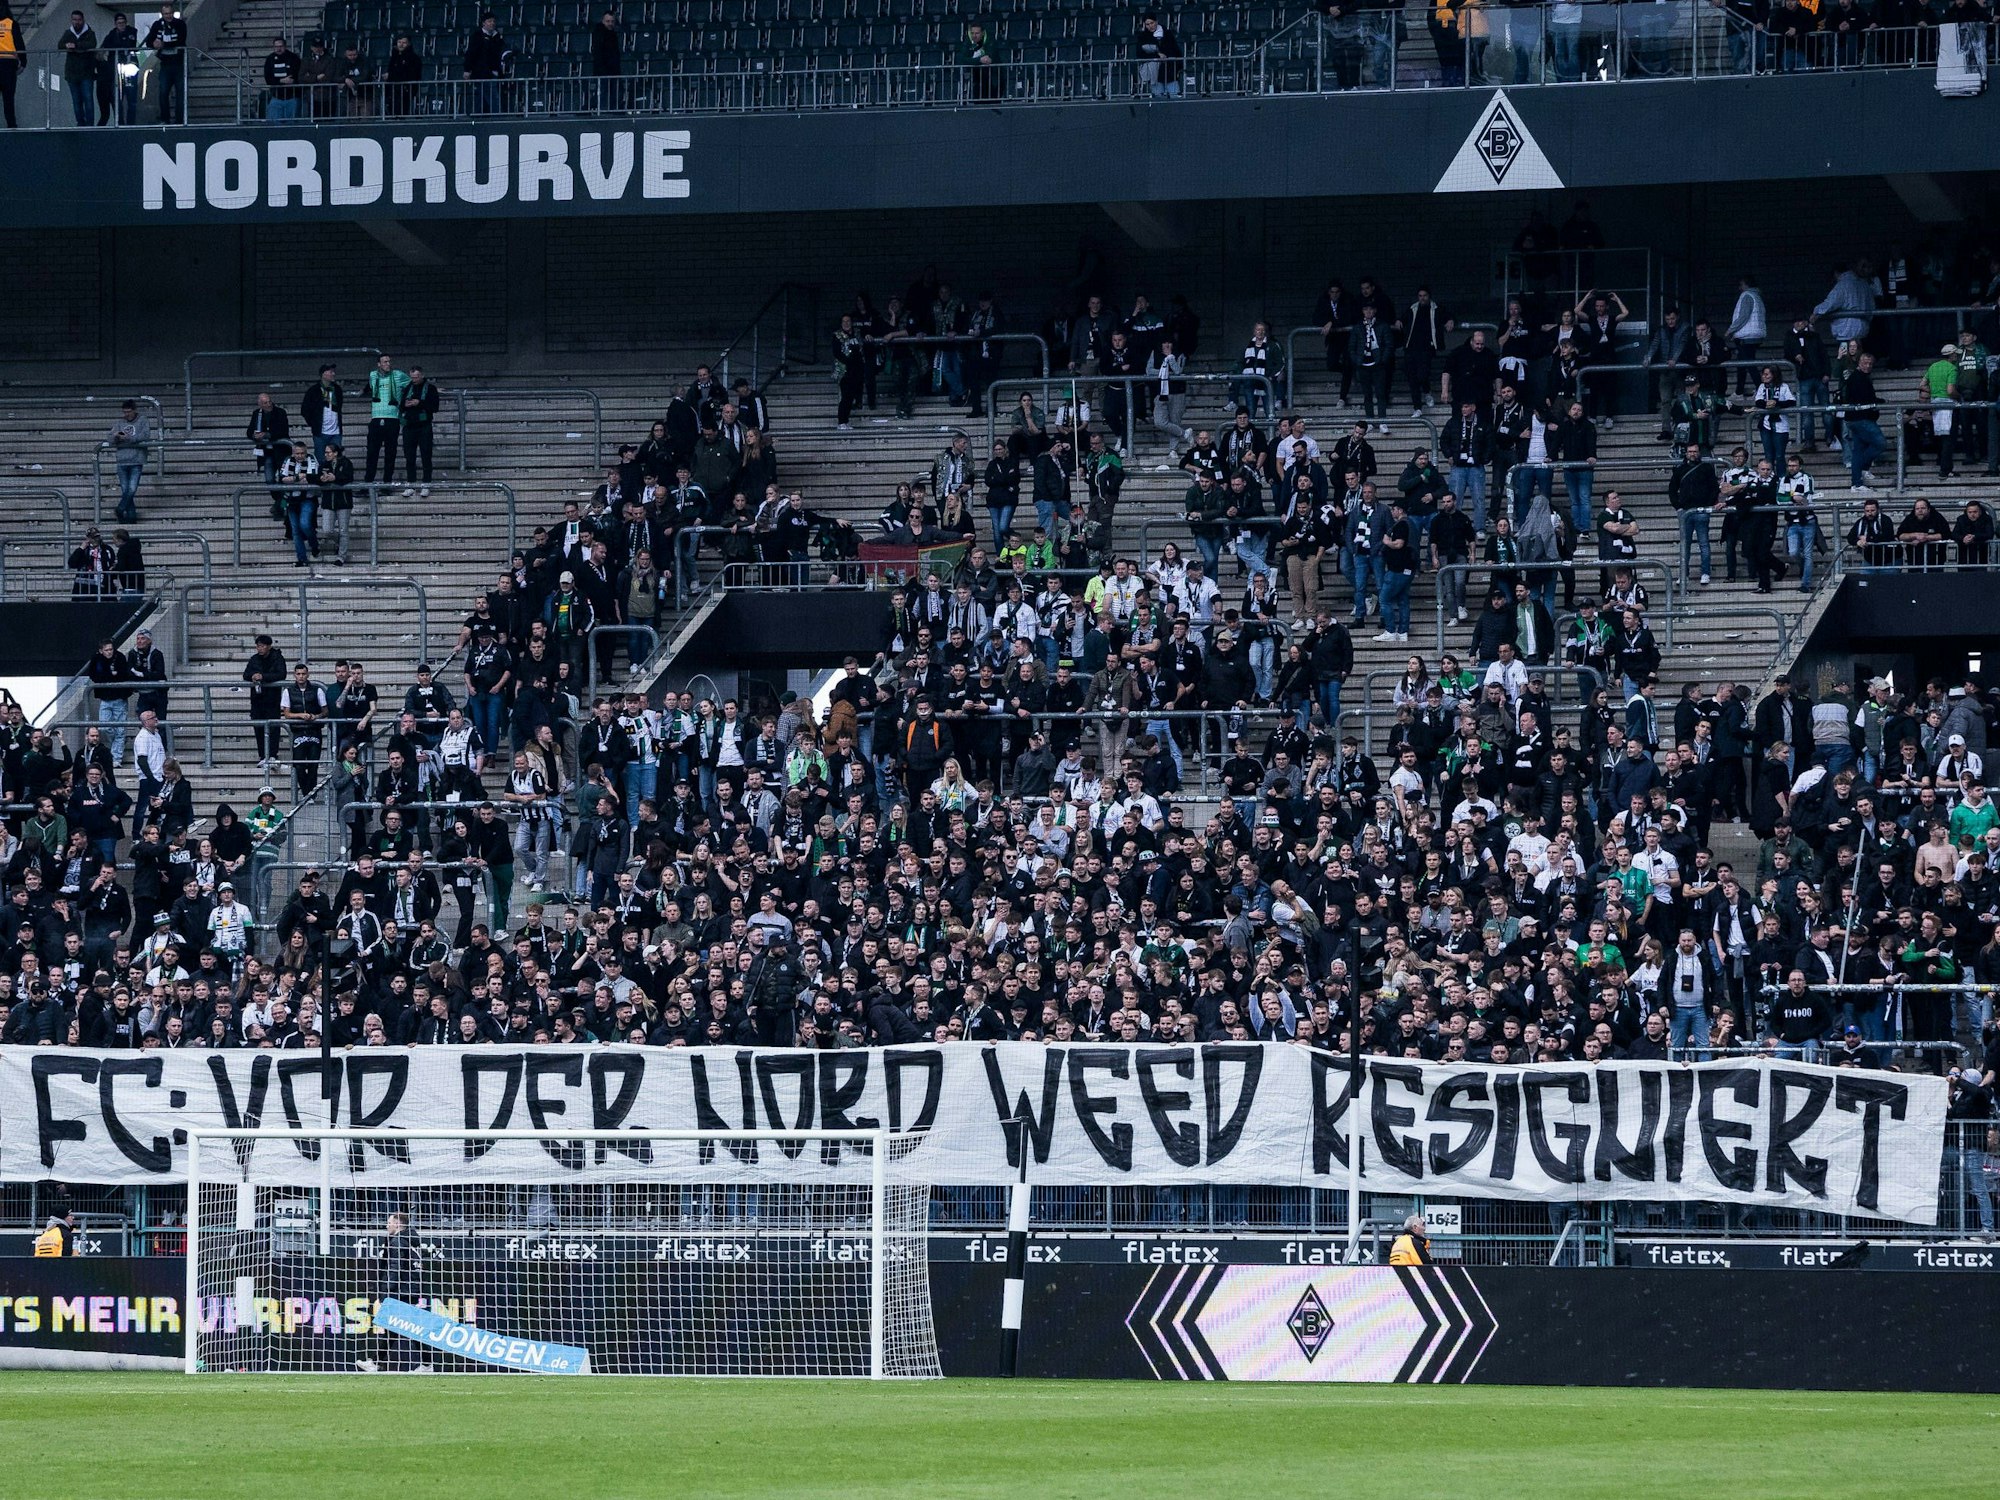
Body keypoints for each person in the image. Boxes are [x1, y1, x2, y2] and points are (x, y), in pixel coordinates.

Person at [356, 1211, 430, 1374]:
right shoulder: (412, 1241)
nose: (386, 1225)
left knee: (404, 1327)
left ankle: (425, 1364)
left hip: (401, 1290)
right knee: (400, 1327)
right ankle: (425, 1364)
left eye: (389, 1222)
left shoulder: (398, 1242)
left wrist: (386, 1292)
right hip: (411, 1289)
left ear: (397, 1224)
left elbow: (394, 1268)